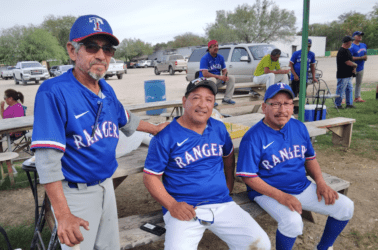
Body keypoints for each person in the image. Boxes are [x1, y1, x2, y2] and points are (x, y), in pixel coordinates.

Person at [31, 14, 168, 249]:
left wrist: (156, 129)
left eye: (108, 49)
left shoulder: (105, 88)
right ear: (73, 51)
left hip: (106, 185)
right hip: (75, 192)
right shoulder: (53, 92)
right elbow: (46, 160)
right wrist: (63, 214)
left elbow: (126, 121)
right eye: (91, 46)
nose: (101, 55)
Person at [143, 78, 271, 250]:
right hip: (184, 207)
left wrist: (229, 184)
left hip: (221, 203)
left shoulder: (218, 128)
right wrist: (172, 205)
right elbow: (151, 177)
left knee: (261, 244)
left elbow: (228, 155)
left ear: (213, 104)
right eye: (196, 97)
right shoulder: (166, 135)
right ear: (184, 101)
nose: (202, 104)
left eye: (209, 99)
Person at [236, 83, 354, 250]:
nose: (282, 109)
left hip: (301, 186)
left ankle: (324, 247)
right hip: (267, 192)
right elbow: (248, 177)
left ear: (293, 107)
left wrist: (320, 182)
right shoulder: (253, 137)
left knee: (346, 207)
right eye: (275, 103)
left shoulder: (299, 126)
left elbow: (310, 158)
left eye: (287, 103)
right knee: (292, 221)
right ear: (264, 107)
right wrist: (281, 196)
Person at [199, 40, 236, 106]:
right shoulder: (205, 58)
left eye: (217, 46)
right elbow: (205, 74)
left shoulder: (220, 57)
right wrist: (219, 77)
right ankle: (211, 101)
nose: (216, 47)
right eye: (214, 46)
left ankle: (227, 99)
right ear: (209, 48)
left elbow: (224, 70)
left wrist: (225, 75)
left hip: (216, 81)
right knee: (213, 80)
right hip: (205, 82)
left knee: (231, 78)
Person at [335, 36, 358, 109]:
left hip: (348, 75)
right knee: (340, 90)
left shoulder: (347, 50)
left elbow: (350, 60)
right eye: (351, 41)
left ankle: (349, 104)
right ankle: (338, 104)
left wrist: (353, 68)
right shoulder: (342, 51)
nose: (351, 43)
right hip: (343, 75)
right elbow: (347, 62)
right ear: (347, 42)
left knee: (349, 89)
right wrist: (355, 65)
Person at [349, 31, 368, 103]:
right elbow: (349, 58)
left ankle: (357, 97)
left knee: (359, 83)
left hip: (361, 67)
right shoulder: (351, 46)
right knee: (348, 83)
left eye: (361, 35)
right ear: (354, 37)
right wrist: (361, 58)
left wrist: (365, 57)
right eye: (358, 35)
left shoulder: (364, 45)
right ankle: (344, 98)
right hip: (352, 67)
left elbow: (365, 55)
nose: (360, 36)